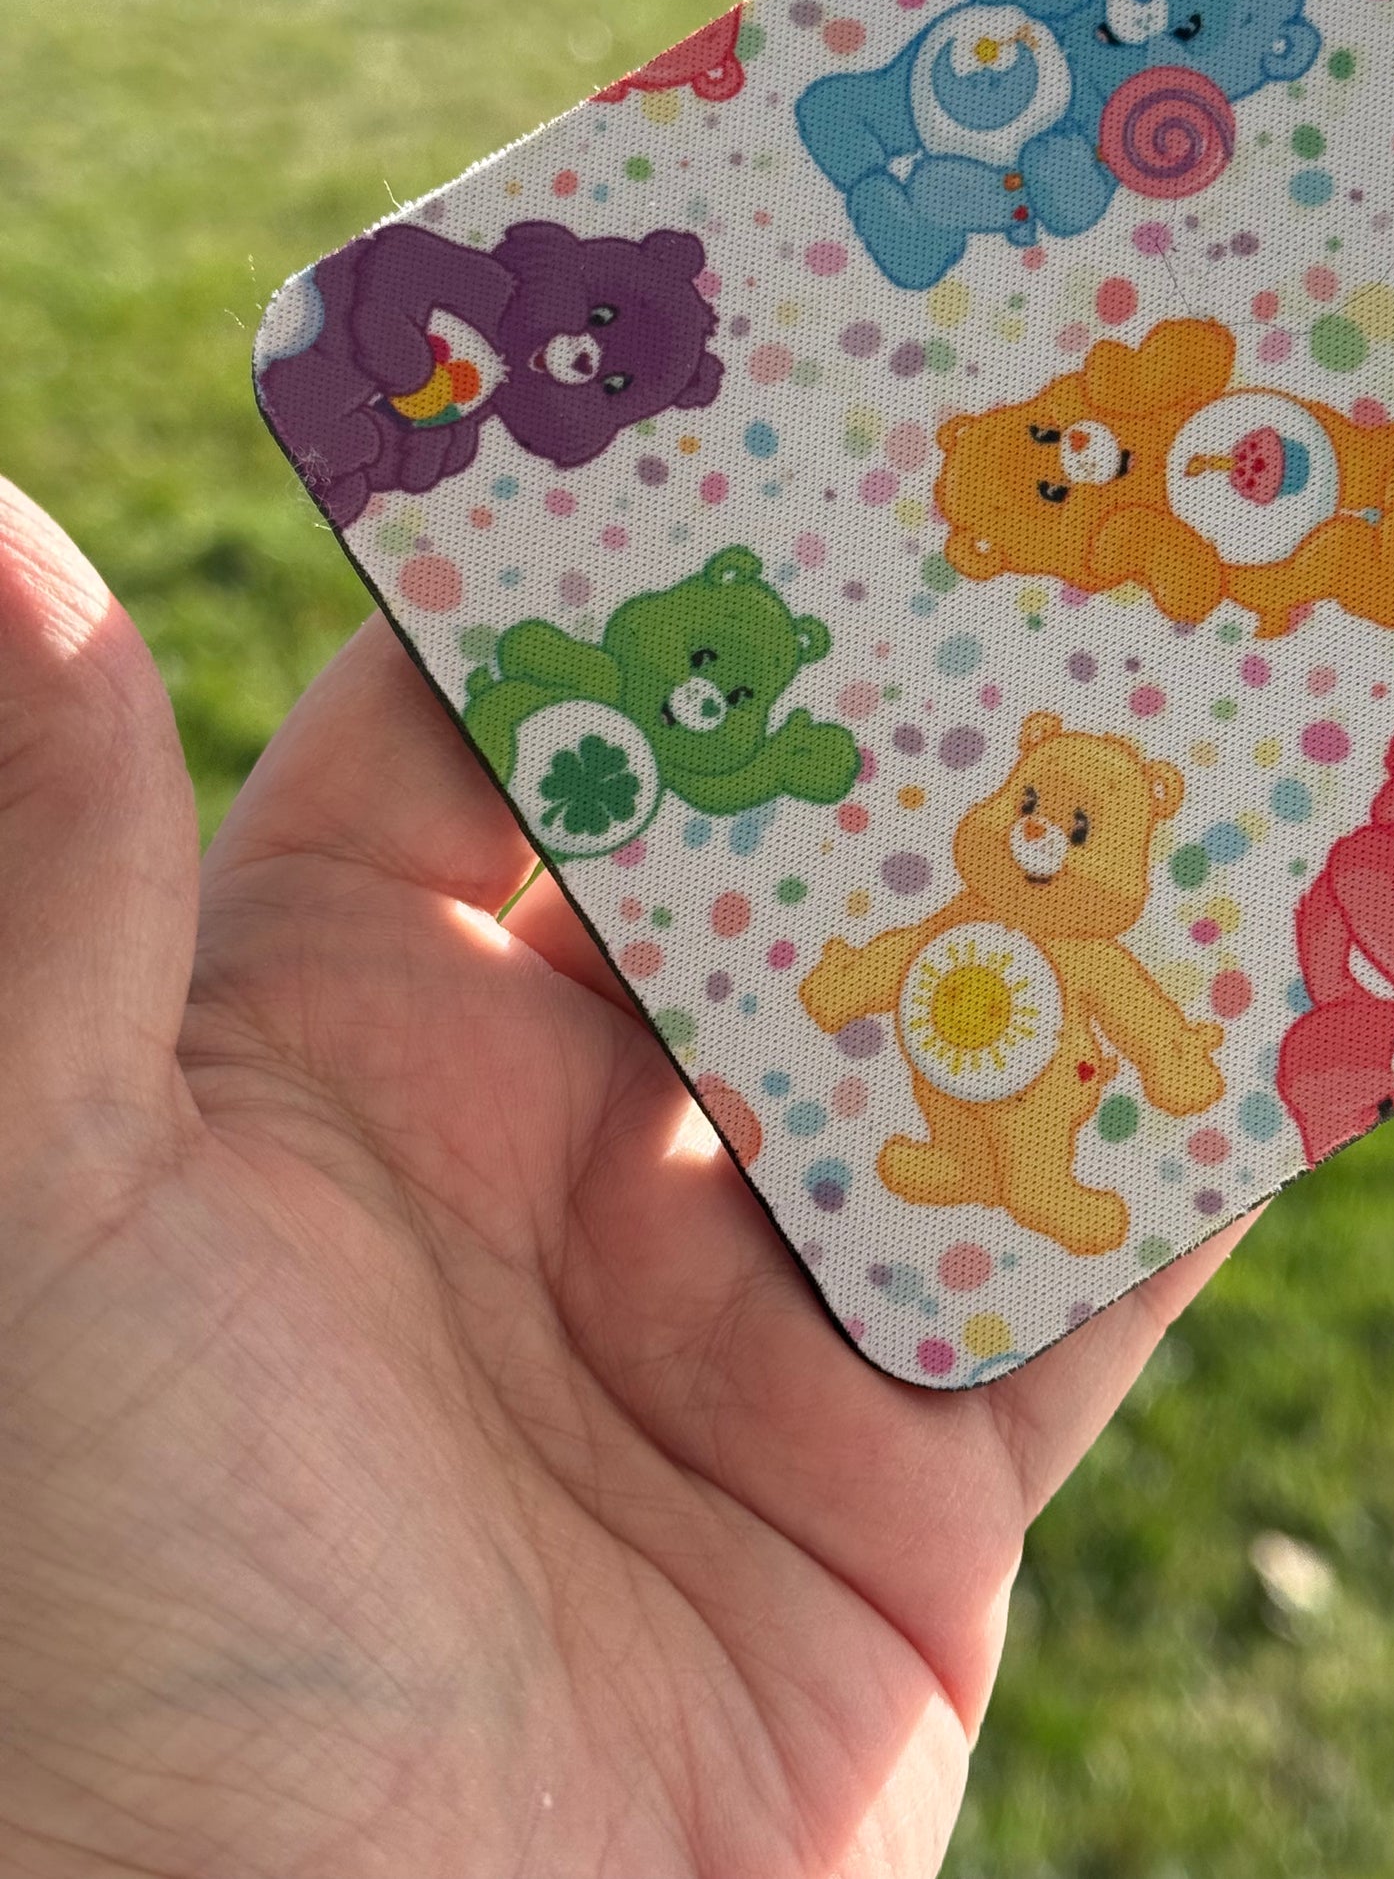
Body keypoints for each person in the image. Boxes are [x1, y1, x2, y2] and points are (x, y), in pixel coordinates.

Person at [0, 475, 1250, 1879]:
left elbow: (1141, 1019)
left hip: (1013, 1126)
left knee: (1022, 1165)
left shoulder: (1086, 956)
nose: (1033, 837)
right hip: (892, 1182)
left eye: (1075, 832)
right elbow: (875, 966)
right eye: (1031, 805)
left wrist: (1175, 1064)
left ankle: (1028, 1186)